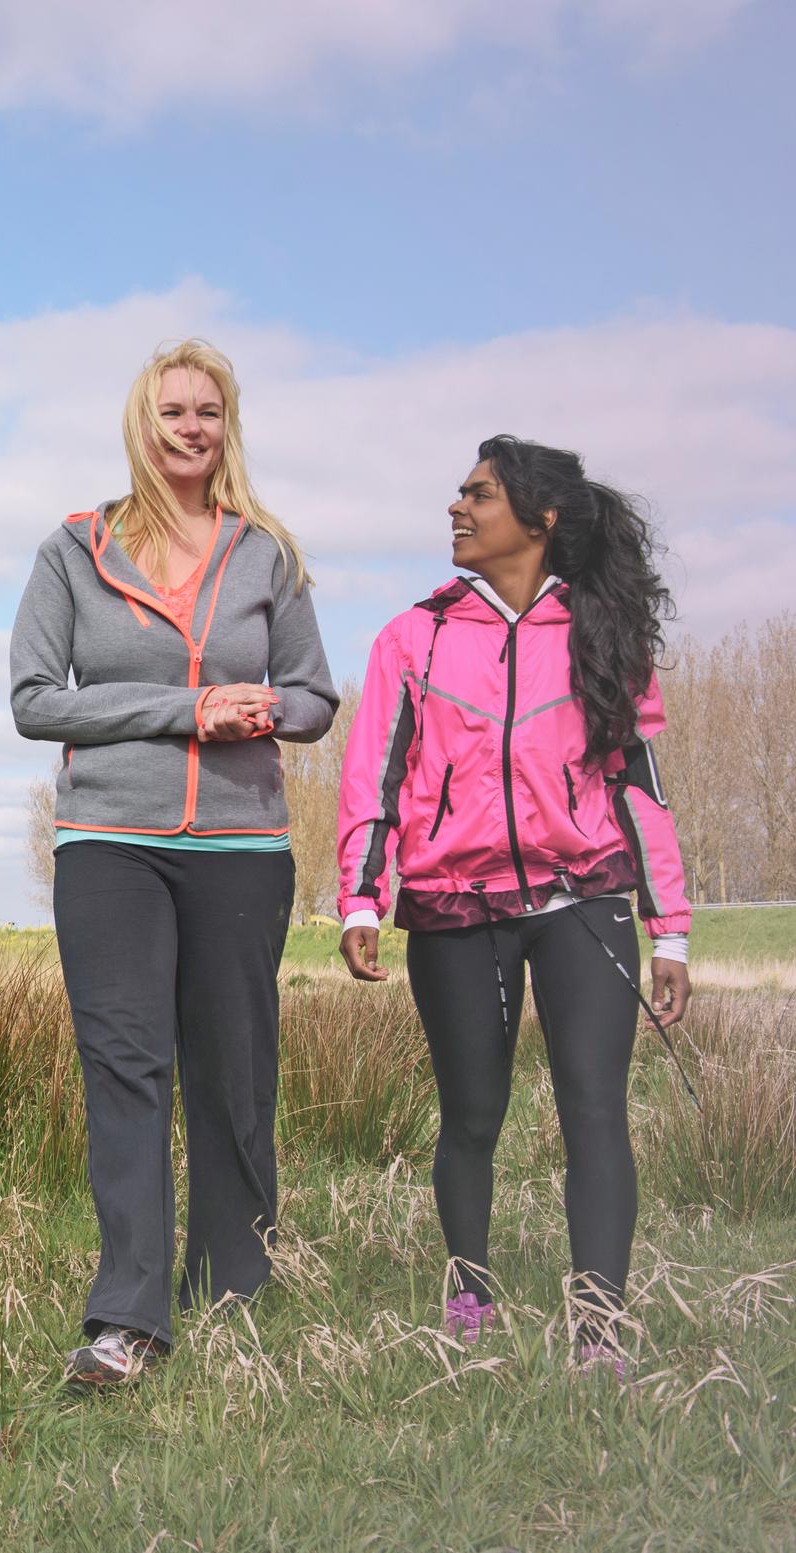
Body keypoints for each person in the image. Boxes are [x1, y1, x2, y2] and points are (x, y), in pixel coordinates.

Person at [11, 340, 338, 1388]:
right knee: (126, 1067)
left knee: (234, 1070)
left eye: (208, 411)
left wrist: (269, 708)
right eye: (172, 412)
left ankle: (234, 1288)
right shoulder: (75, 547)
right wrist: (184, 710)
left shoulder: (266, 553)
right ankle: (129, 1313)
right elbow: (35, 700)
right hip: (110, 844)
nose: (190, 428)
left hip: (242, 846)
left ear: (226, 424)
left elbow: (315, 695)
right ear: (140, 425)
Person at [334, 436, 691, 1375]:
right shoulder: (413, 637)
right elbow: (371, 774)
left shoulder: (601, 632)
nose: (457, 506)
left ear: (540, 519)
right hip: (456, 905)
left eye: (479, 494)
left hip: (586, 899)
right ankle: (469, 1300)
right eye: (459, 491)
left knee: (595, 1112)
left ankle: (598, 1330)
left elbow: (640, 783)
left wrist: (673, 929)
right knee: (473, 1115)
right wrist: (361, 900)